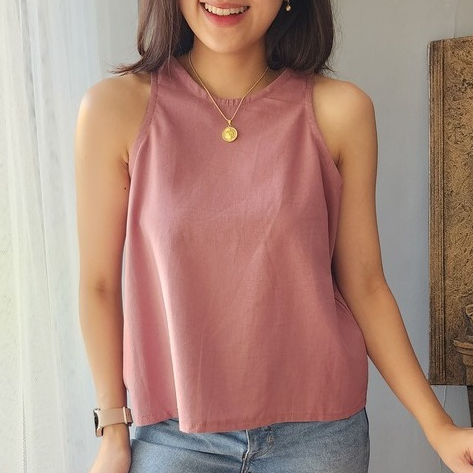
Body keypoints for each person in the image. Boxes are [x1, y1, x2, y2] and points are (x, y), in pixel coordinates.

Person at [74, 0, 473, 472]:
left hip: (318, 437)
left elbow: (365, 285)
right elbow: (99, 285)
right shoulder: (115, 109)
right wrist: (113, 431)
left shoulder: (341, 110)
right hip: (171, 435)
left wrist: (439, 427)